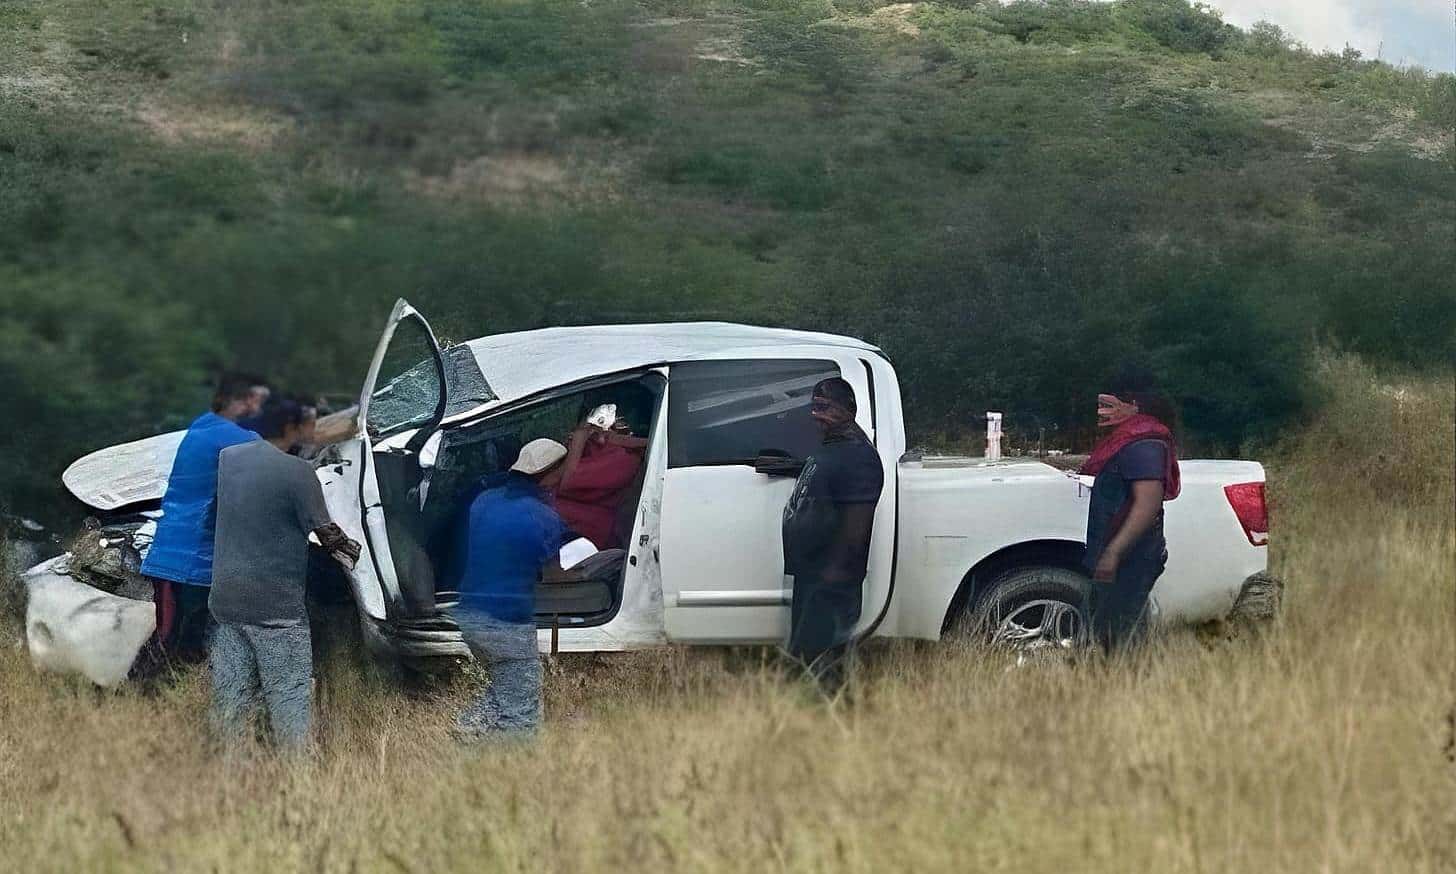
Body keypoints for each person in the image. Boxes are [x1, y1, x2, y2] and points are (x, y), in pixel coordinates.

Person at [207, 399, 360, 749]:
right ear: (291, 429)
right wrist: (355, 551)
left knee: (230, 693)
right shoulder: (298, 473)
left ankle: (226, 769)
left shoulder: (229, 459)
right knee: (288, 692)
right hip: (274, 606)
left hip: (227, 599)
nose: (314, 429)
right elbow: (327, 533)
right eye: (308, 424)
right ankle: (297, 775)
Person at [139, 372, 269, 665]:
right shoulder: (241, 439)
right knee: (175, 642)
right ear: (245, 399)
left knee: (175, 636)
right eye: (258, 399)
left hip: (171, 553)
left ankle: (156, 697)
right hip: (192, 561)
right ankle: (134, 697)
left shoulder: (201, 426)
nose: (260, 407)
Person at [448, 438, 569, 739]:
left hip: (469, 615)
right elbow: (554, 574)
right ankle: (511, 771)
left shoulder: (485, 500)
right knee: (522, 714)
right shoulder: (543, 517)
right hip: (507, 623)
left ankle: (466, 731)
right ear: (551, 473)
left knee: (503, 688)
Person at [781, 378, 884, 696]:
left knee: (823, 668)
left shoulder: (859, 456)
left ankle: (833, 729)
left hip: (832, 582)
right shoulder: (835, 447)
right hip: (813, 576)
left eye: (826, 407)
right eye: (814, 406)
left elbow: (857, 528)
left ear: (849, 409)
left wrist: (833, 578)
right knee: (805, 661)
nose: (817, 414)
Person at [1078, 365, 1182, 653]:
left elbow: (1147, 504)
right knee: (1117, 633)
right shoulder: (1130, 438)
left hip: (1132, 557)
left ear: (1134, 404)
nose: (1100, 412)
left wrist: (1112, 553)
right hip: (1128, 555)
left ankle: (1130, 692)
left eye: (1108, 405)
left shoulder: (1143, 442)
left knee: (1122, 638)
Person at [553, 407, 648, 549]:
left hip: (600, 536)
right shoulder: (593, 448)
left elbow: (567, 481)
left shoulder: (624, 459)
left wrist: (579, 441)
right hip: (577, 532)